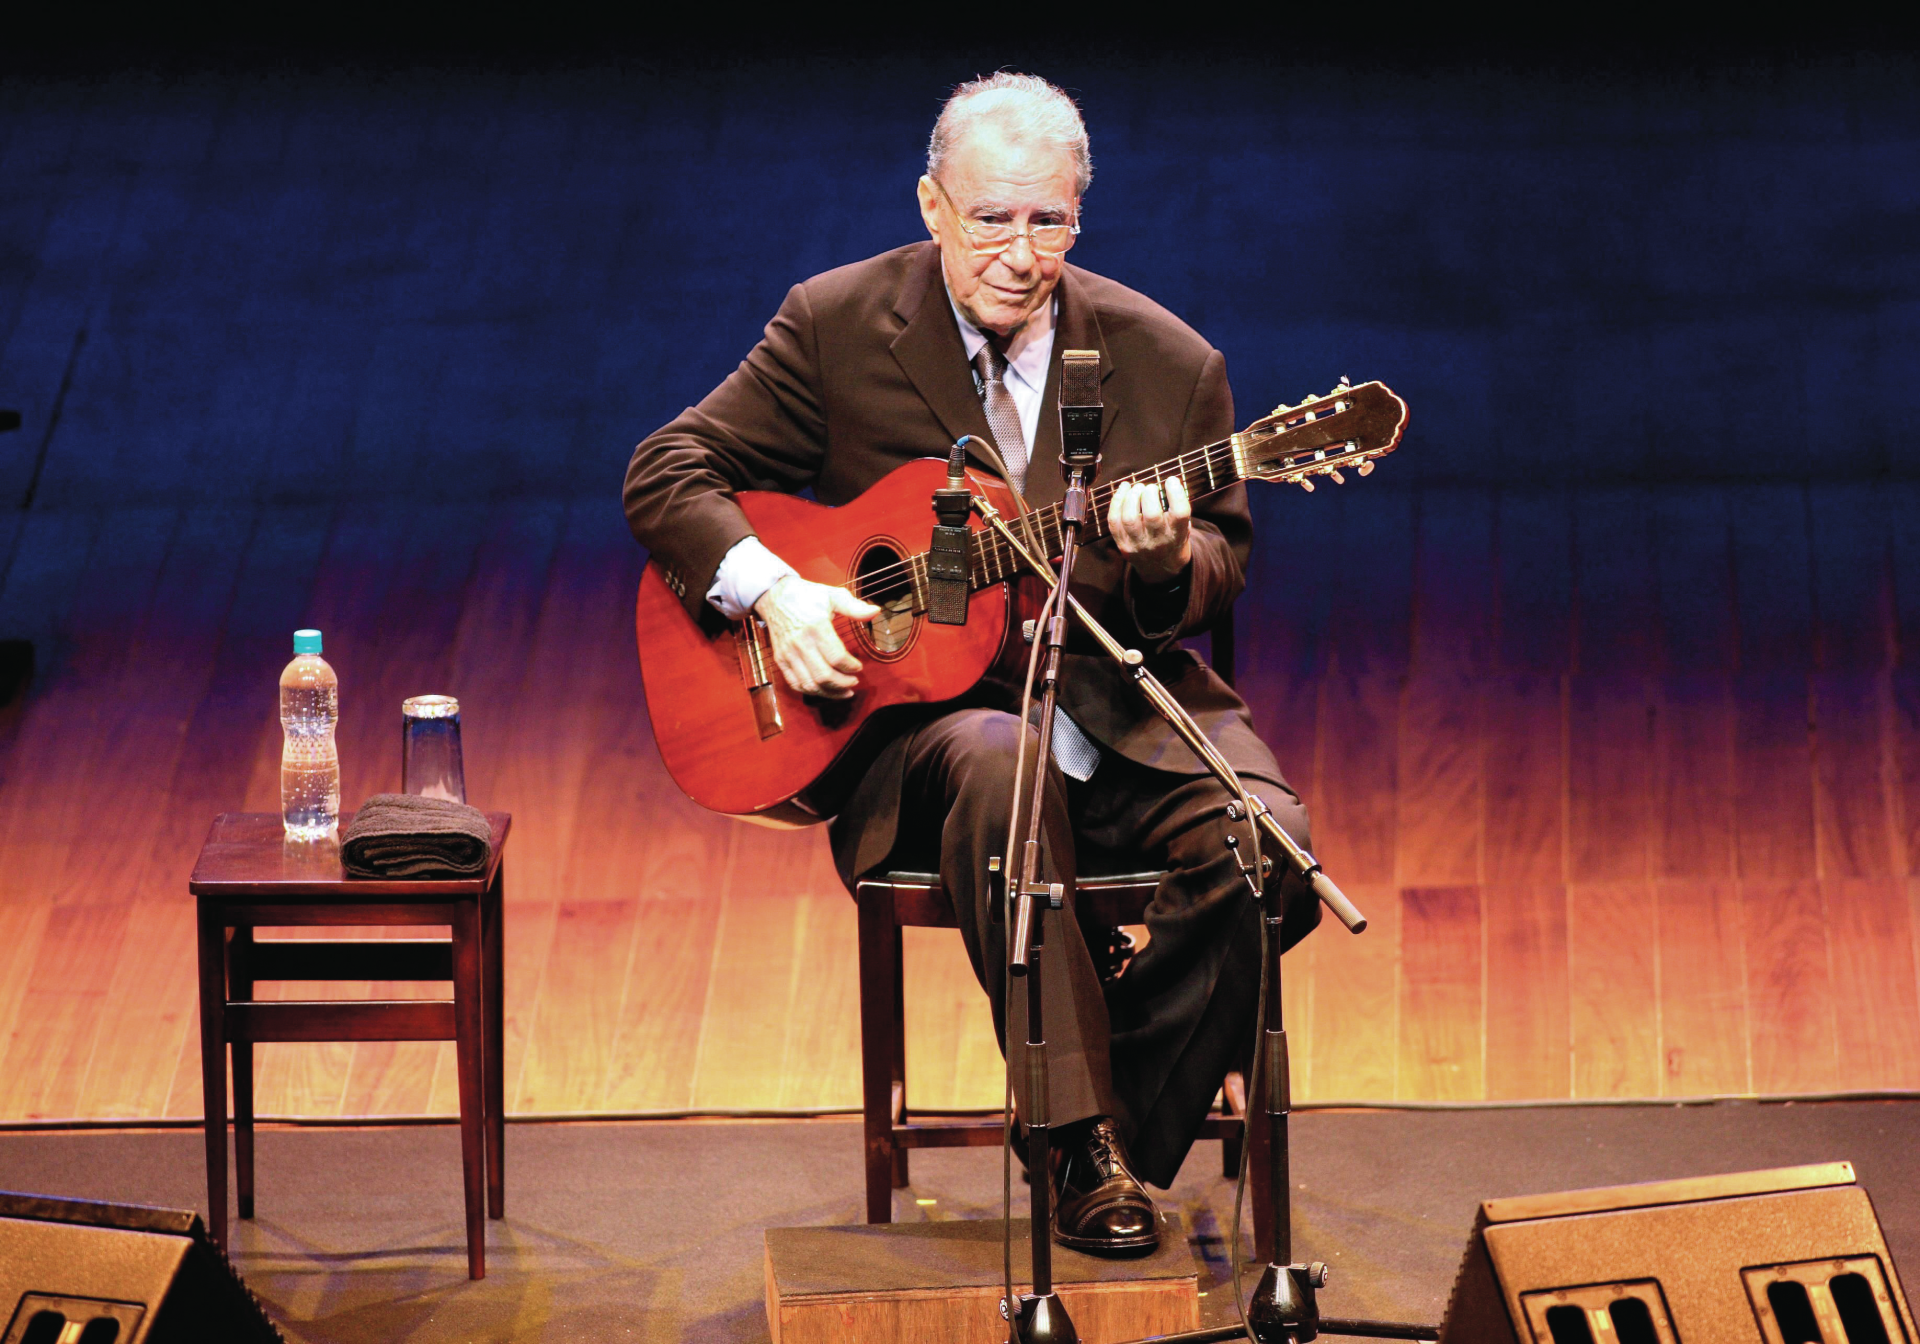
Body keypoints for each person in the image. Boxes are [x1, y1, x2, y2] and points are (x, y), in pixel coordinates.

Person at [624, 72, 1318, 1255]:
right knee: (1001, 764)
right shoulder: (837, 324)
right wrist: (782, 594)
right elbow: (667, 471)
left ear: (1079, 218)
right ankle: (1076, 1150)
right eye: (991, 219)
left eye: (1048, 221)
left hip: (1119, 705)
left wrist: (1160, 559)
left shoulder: (1167, 362)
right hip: (928, 737)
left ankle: (1092, 1102)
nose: (1018, 252)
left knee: (1273, 858)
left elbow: (1216, 572)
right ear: (934, 207)